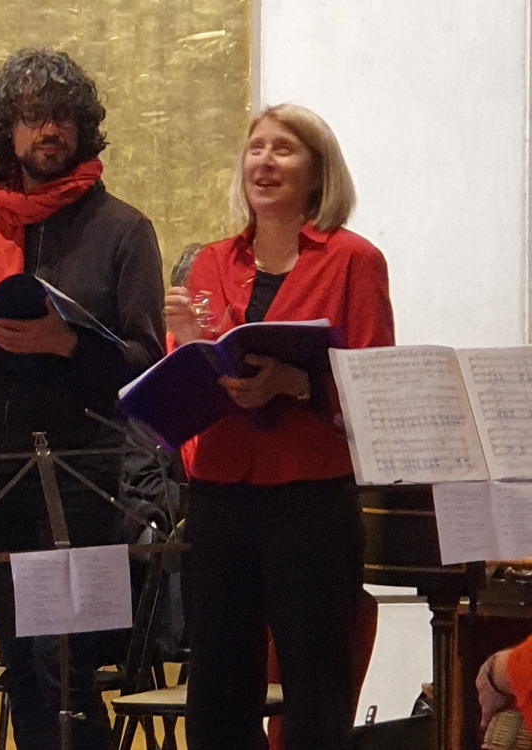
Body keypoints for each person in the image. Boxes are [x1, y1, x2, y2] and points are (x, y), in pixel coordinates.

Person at [0, 48, 165, 750]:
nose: (49, 130)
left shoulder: (123, 230)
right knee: (23, 674)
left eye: (63, 117)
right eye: (34, 116)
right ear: (6, 129)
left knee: (65, 669)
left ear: (83, 127)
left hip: (86, 477)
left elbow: (147, 365)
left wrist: (66, 345)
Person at [163, 103, 394, 750]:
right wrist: (184, 347)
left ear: (317, 174)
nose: (264, 161)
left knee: (315, 691)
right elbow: (186, 392)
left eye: (283, 149)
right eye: (256, 147)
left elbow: (374, 388)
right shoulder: (210, 262)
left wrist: (295, 383)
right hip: (219, 495)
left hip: (309, 498)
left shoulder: (354, 261)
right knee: (217, 694)